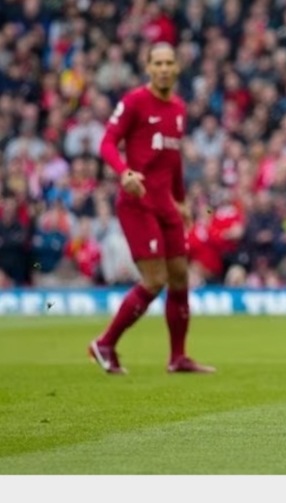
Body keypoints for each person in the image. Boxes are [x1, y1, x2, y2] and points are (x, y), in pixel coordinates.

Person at [89, 42, 214, 374]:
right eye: (157, 63)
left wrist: (181, 200)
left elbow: (173, 161)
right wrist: (123, 172)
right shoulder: (134, 102)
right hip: (138, 204)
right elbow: (107, 143)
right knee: (155, 279)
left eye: (169, 63)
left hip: (166, 204)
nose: (163, 68)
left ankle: (178, 357)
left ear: (177, 68)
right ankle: (104, 343)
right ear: (147, 67)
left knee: (180, 277)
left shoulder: (179, 108)